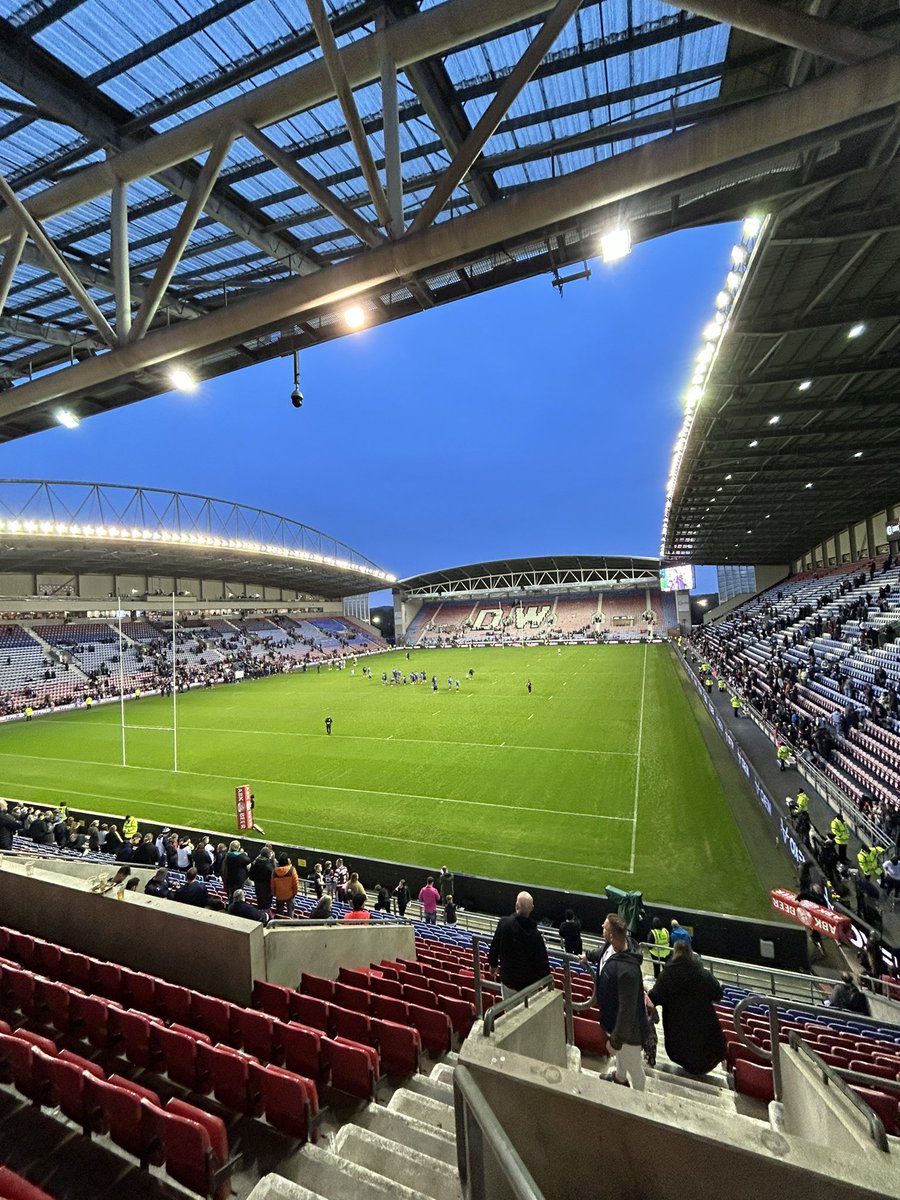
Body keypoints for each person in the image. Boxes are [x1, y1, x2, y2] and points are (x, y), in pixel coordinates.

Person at [648, 940, 725, 1075]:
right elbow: (718, 993)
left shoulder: (667, 975)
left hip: (678, 1046)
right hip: (708, 1044)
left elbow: (652, 999)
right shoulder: (701, 973)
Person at [594, 913, 650, 1090]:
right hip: (614, 1022)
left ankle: (639, 1101)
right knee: (621, 1057)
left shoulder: (628, 971)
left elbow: (627, 1010)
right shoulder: (611, 946)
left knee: (634, 1067)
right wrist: (587, 956)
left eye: (604, 927)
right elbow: (601, 954)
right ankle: (619, 1077)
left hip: (629, 1031)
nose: (601, 928)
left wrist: (616, 1040)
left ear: (611, 935)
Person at [487, 891, 550, 999]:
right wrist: (547, 983)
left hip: (508, 981)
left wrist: (493, 965)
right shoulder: (536, 935)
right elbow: (542, 962)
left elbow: (494, 947)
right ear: (532, 908)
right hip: (529, 986)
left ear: (516, 906)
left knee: (510, 1013)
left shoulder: (504, 924)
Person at [250, 847, 275, 912]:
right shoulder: (269, 866)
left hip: (258, 886)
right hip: (266, 888)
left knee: (260, 902)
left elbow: (251, 876)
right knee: (266, 904)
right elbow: (272, 878)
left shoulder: (255, 862)